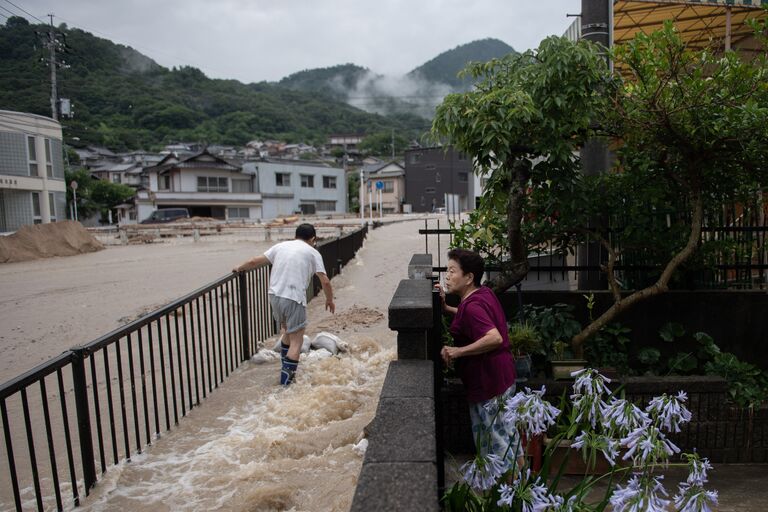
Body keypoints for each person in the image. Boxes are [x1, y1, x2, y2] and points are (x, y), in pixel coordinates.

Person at [436, 248, 524, 472]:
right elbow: (472, 316)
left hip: (489, 381)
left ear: (468, 278)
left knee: (496, 441)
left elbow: (493, 337)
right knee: (508, 435)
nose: (447, 275)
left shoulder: (473, 305)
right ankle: (524, 488)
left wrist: (458, 351)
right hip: (501, 376)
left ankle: (511, 496)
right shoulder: (481, 294)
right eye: (447, 270)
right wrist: (446, 308)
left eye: (452, 271)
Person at [234, 223, 335, 385]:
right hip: (293, 297)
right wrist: (329, 299)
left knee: (288, 331)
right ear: (313, 239)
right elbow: (325, 281)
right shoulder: (312, 252)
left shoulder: (280, 246)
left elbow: (254, 261)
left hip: (274, 296)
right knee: (297, 341)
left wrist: (239, 267)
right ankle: (286, 385)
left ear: (296, 235)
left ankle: (284, 371)